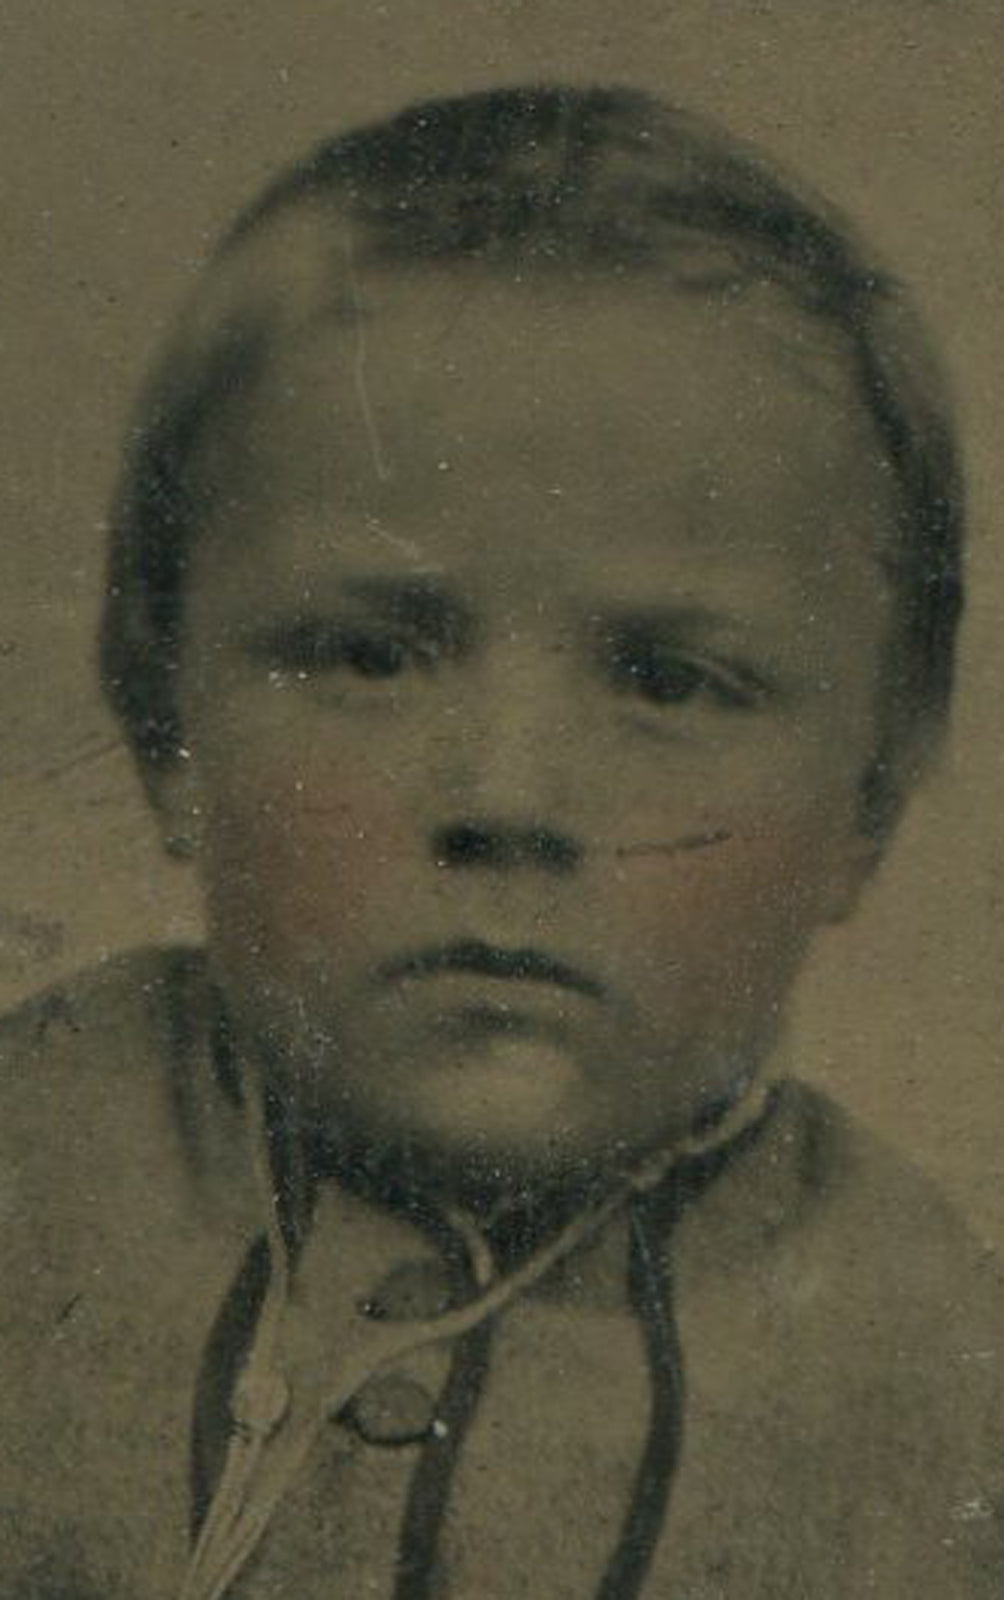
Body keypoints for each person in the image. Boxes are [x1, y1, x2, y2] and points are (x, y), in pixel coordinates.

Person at [1, 84, 1000, 1599]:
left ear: (868, 800)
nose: (510, 798)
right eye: (367, 656)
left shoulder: (937, 1366)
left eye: (667, 681)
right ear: (160, 723)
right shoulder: (33, 1152)